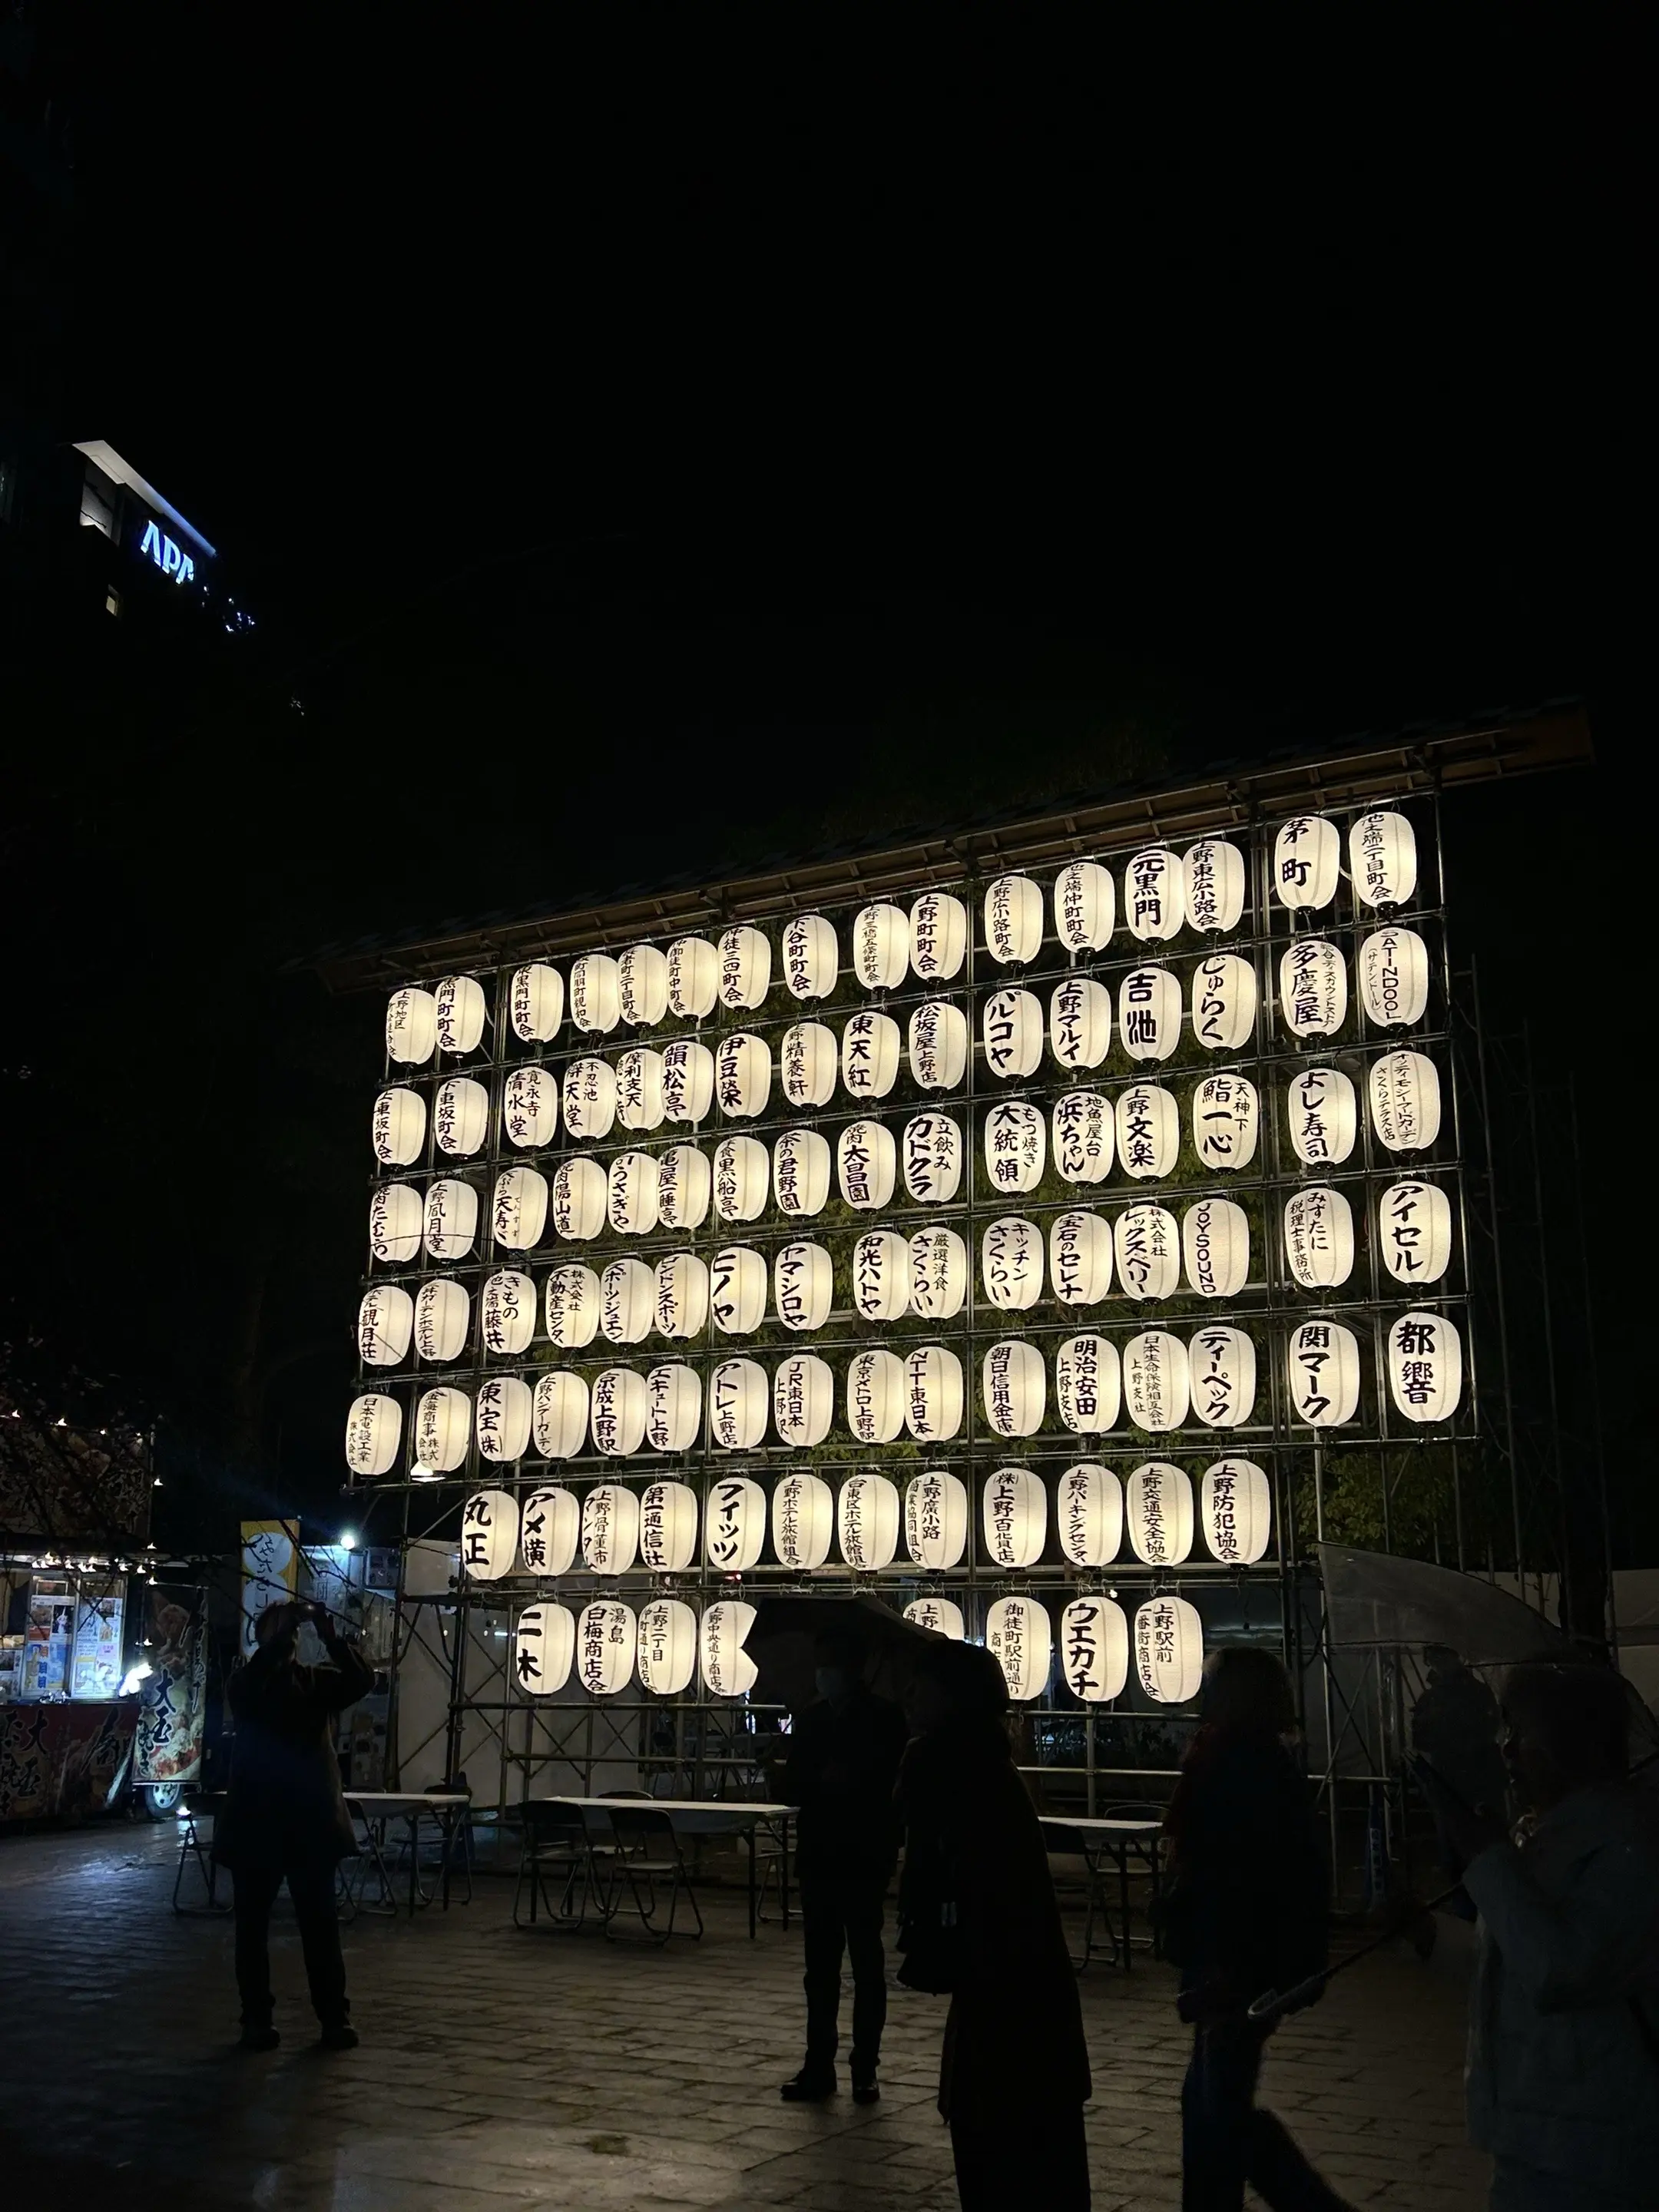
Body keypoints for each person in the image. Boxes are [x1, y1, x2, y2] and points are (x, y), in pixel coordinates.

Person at [1426, 1661, 1659, 2212]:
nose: (1507, 1750)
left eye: (1523, 1733)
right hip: (1533, 2137)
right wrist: (1425, 1936)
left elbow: (1560, 1970)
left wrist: (1487, 1860)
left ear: (1575, 1744)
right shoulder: (1539, 1838)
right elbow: (1511, 1962)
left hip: (1596, 2148)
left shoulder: (1629, 1845)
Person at [896, 1640, 1091, 2210]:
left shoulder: (957, 1769)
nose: (910, 1697)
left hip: (1003, 1984)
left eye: (921, 1686)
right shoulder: (980, 1763)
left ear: (951, 1697)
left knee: (1000, 2147)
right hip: (1015, 1984)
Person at [1161, 1645, 1354, 2212]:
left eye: (1213, 1683)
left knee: (1217, 2112)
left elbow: (1244, 1877)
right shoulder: (1238, 1758)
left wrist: (1226, 1963)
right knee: (1212, 2105)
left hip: (1238, 1964)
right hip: (1236, 1959)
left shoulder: (1243, 1766)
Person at [212, 1598, 376, 2051]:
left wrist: (330, 1635)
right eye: (282, 1632)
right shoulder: (246, 1683)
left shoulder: (315, 1682)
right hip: (260, 1823)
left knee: (320, 1928)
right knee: (253, 1931)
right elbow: (263, 1673)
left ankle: (333, 2017)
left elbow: (362, 1680)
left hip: (306, 1823)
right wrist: (289, 1627)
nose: (290, 1639)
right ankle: (257, 2019)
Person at [780, 1629, 909, 2103]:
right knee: (820, 1970)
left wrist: (852, 1781)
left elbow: (894, 1786)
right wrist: (799, 1778)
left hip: (862, 1855)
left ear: (853, 1670)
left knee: (867, 1965)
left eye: (830, 1666)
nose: (823, 1675)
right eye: (821, 1666)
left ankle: (865, 2066)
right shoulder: (812, 1719)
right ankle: (819, 2064)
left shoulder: (885, 1718)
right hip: (819, 1854)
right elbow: (794, 1785)